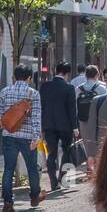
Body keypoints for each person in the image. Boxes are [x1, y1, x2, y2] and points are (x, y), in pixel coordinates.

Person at [0, 64, 46, 212]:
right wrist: (36, 137)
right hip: (27, 138)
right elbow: (36, 118)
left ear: (14, 77)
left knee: (8, 169)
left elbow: (2, 116)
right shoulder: (33, 94)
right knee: (32, 168)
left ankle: (7, 203)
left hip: (9, 136)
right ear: (29, 78)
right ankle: (34, 197)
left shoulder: (4, 92)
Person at [40, 61, 79, 192]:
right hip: (66, 125)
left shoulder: (45, 86)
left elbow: (42, 107)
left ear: (55, 71)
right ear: (67, 74)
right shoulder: (69, 88)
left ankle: (53, 182)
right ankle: (65, 178)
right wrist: (75, 127)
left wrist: (42, 125)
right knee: (67, 150)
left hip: (49, 125)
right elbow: (72, 109)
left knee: (51, 153)